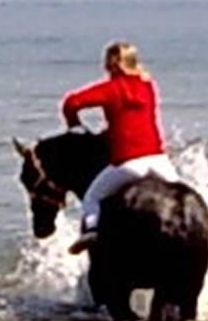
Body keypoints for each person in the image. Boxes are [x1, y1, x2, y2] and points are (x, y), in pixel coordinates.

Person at [62, 41, 179, 254]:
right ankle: (206, 217)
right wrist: (110, 132)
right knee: (182, 194)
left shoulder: (111, 89)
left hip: (128, 162)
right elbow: (134, 121)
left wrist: (74, 127)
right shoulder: (148, 86)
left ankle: (91, 231)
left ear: (113, 64)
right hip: (158, 160)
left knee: (92, 197)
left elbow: (71, 103)